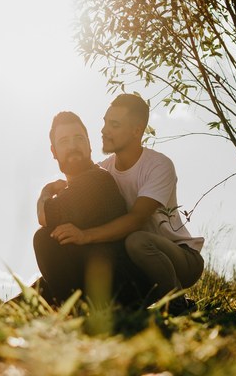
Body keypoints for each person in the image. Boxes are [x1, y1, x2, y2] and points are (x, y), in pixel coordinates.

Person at [50, 94, 204, 314]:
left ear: (136, 130)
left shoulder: (158, 165)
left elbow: (136, 219)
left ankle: (178, 304)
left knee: (136, 240)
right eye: (104, 122)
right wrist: (54, 190)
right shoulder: (105, 169)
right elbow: (79, 190)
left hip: (181, 259)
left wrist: (86, 236)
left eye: (114, 124)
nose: (104, 130)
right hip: (135, 262)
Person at [32, 111, 149, 306]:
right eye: (64, 141)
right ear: (54, 151)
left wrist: (46, 191)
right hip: (88, 274)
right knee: (30, 295)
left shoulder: (96, 180)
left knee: (45, 239)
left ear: (89, 144)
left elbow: (44, 216)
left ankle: (76, 313)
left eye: (78, 138)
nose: (72, 146)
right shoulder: (72, 191)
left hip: (122, 284)